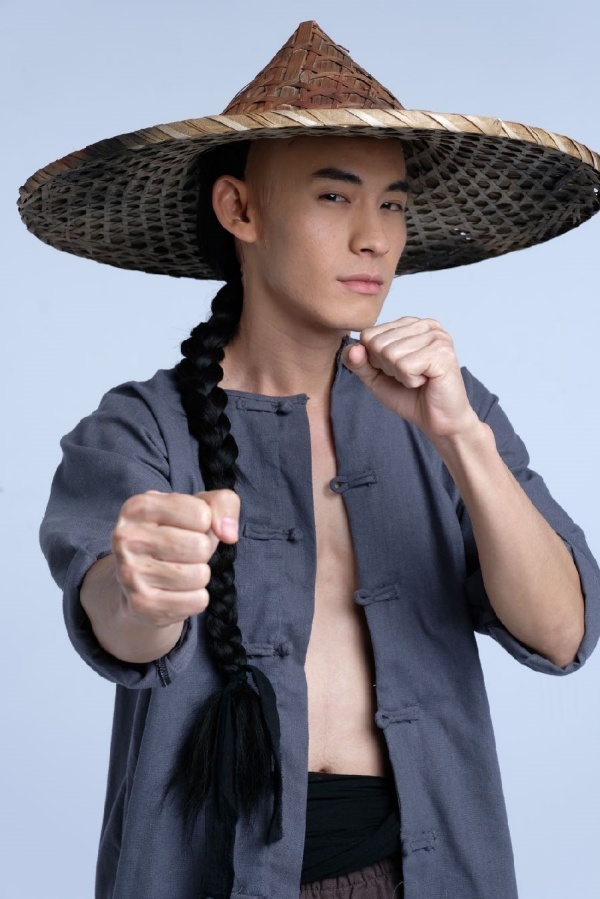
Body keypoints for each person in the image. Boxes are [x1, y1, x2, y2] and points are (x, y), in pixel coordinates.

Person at [19, 20, 600, 899]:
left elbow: (562, 635)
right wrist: (144, 586)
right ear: (239, 210)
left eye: (392, 203)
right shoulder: (141, 427)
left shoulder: (452, 407)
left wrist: (462, 439)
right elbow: (120, 624)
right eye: (334, 196)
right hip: (212, 874)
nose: (376, 238)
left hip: (421, 869)